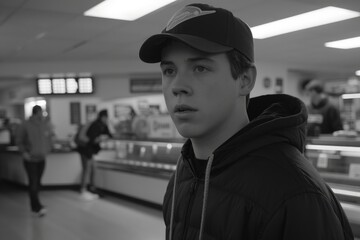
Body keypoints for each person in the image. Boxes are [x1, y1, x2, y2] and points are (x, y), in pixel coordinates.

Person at [139, 3, 353, 240]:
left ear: (244, 79)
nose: (178, 86)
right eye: (169, 71)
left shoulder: (294, 195)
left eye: (200, 68)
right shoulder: (185, 172)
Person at [16, 105, 54, 217]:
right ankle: (36, 207)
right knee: (33, 183)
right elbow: (19, 140)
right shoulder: (25, 125)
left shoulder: (44, 125)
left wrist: (48, 148)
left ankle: (36, 204)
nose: (43, 114)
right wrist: (24, 152)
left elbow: (48, 138)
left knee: (37, 183)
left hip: (41, 158)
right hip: (31, 159)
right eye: (41, 112)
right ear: (37, 113)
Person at [76, 109, 112, 200]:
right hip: (86, 150)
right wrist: (100, 139)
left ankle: (91, 188)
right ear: (103, 117)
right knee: (87, 169)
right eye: (106, 117)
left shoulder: (101, 125)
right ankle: (84, 189)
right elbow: (92, 139)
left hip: (89, 150)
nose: (107, 119)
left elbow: (109, 135)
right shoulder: (96, 125)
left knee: (92, 169)